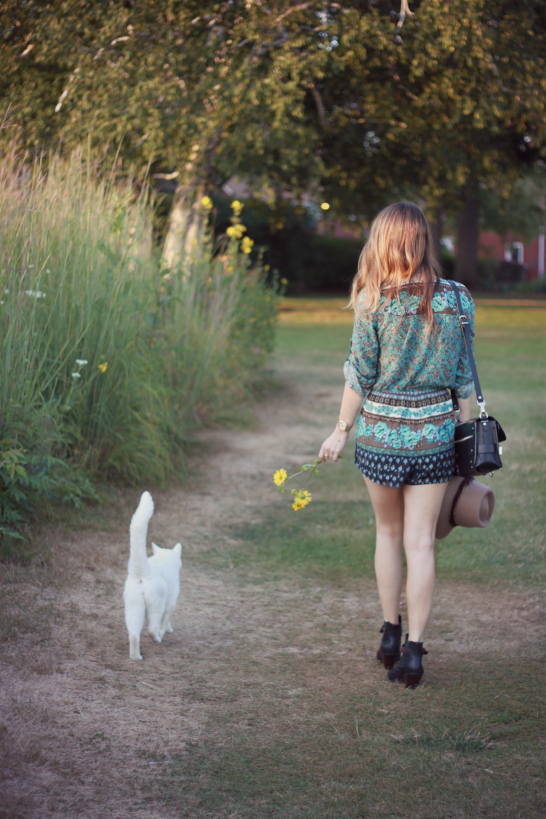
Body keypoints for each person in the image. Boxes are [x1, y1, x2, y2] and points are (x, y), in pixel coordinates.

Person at [318, 202, 474, 689]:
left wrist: (339, 432)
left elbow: (358, 377)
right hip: (433, 437)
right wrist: (466, 439)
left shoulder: (372, 300)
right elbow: (464, 380)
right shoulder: (457, 299)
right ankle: (413, 654)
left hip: (380, 437)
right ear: (422, 240)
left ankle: (389, 636)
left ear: (383, 242)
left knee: (388, 535)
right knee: (421, 542)